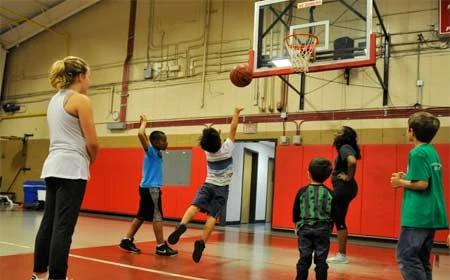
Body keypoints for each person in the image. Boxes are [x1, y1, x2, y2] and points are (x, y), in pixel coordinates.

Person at [32, 56, 99, 280]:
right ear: (80, 76)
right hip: (72, 168)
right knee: (63, 227)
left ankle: (39, 274)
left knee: (48, 223)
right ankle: (57, 277)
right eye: (89, 76)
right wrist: (92, 159)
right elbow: (93, 142)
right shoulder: (81, 100)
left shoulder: (54, 100)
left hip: (52, 166)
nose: (89, 81)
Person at [167, 107, 244, 263]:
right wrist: (236, 113)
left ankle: (182, 225)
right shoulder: (228, 149)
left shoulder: (207, 152)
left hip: (208, 184)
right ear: (219, 141)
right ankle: (201, 242)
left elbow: (212, 141)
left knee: (194, 206)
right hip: (222, 189)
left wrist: (215, 134)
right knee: (212, 216)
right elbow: (233, 128)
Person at [390, 112, 448, 280]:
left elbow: (422, 184)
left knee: (406, 257)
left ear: (412, 131)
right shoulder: (431, 151)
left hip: (417, 215)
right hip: (430, 214)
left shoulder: (416, 153)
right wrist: (406, 178)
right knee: (422, 259)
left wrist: (400, 183)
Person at [119, 115, 177, 256]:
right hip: (152, 189)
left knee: (141, 215)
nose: (166, 143)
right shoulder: (151, 152)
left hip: (145, 188)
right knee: (157, 216)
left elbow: (144, 135)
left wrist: (143, 128)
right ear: (156, 142)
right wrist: (144, 124)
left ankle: (126, 240)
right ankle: (160, 246)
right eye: (164, 140)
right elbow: (140, 134)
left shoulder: (156, 152)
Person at [293, 157, 335, 280]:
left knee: (304, 259)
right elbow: (333, 213)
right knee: (321, 260)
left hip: (304, 229)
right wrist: (330, 227)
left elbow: (296, 211)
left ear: (308, 173)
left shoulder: (302, 191)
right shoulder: (330, 193)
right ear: (327, 176)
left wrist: (296, 226)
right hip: (323, 230)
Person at [327, 126, 361, 264]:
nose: (336, 133)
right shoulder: (346, 147)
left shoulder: (344, 147)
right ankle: (341, 254)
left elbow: (352, 161)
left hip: (344, 187)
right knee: (338, 219)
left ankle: (336, 253)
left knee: (330, 215)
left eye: (339, 132)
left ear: (345, 136)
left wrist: (348, 177)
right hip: (346, 188)